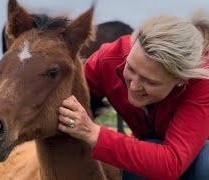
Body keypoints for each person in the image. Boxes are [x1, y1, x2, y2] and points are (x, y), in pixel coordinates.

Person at [58, 10, 209, 180]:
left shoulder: (202, 84)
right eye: (130, 68)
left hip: (191, 154)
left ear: (181, 80)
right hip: (150, 145)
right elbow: (63, 99)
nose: (135, 86)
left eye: (150, 82)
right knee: (141, 164)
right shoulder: (109, 58)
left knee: (205, 163)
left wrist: (94, 134)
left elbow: (171, 162)